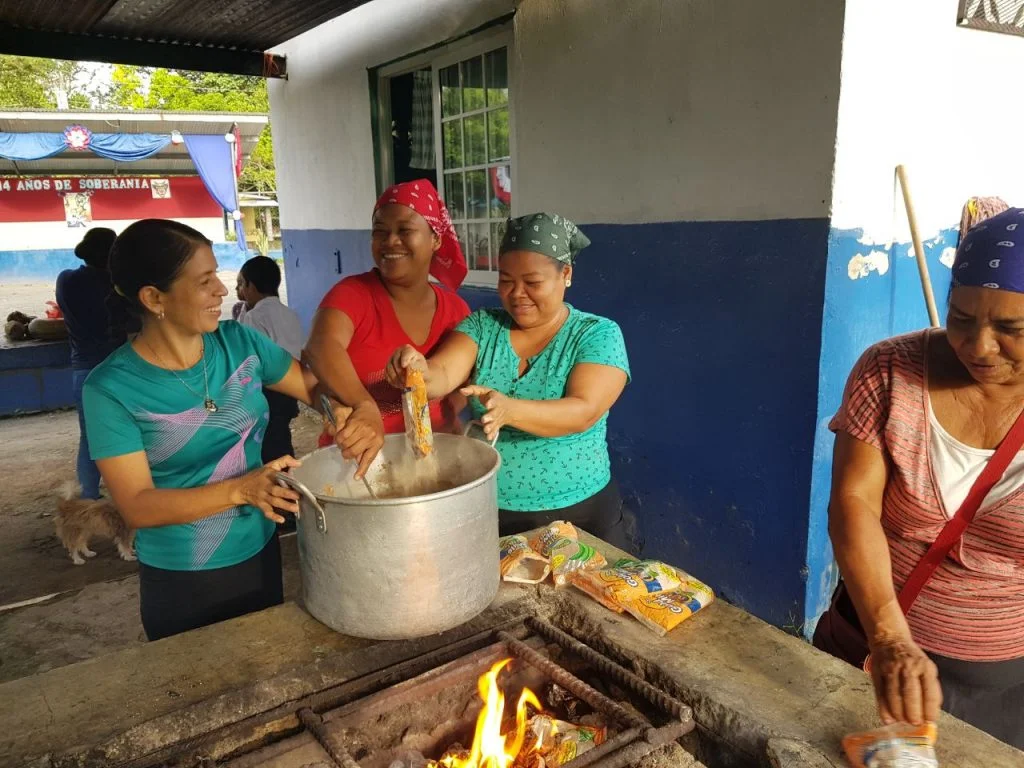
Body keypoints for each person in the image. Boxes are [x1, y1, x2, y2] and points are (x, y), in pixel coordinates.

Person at [815, 207, 1024, 749]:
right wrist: (888, 636)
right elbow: (853, 502)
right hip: (866, 647)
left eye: (1011, 329)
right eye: (960, 317)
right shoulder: (889, 369)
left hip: (998, 685)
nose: (979, 346)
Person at [82, 219, 322, 641]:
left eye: (219, 276)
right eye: (205, 281)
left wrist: (350, 408)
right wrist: (241, 489)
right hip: (184, 577)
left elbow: (312, 387)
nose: (223, 291)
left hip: (259, 549)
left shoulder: (239, 344)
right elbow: (137, 505)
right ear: (154, 297)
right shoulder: (111, 388)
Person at [388, 213, 635, 551]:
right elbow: (441, 375)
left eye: (532, 282)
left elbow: (583, 412)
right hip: (490, 509)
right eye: (505, 280)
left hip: (579, 514)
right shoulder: (483, 326)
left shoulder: (596, 334)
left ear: (566, 274)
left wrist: (509, 410)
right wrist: (416, 369)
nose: (517, 294)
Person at [303, 179, 471, 476]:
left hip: (432, 465)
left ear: (435, 238)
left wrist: (446, 415)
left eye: (405, 230)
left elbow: (464, 379)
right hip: (356, 466)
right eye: (380, 232)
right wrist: (363, 406)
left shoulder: (456, 310)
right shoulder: (353, 294)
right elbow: (321, 347)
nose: (390, 241)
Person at [55, 227, 122, 500]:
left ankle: (88, 498)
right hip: (120, 369)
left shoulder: (66, 281)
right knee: (130, 433)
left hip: (83, 370)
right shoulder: (117, 286)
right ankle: (131, 494)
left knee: (90, 438)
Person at [235, 255, 305, 464]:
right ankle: (288, 474)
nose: (238, 291)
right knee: (281, 435)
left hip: (270, 390)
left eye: (241, 284)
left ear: (252, 286)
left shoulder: (254, 317)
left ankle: (279, 479)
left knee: (269, 442)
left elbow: (250, 358)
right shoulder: (290, 313)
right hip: (292, 386)